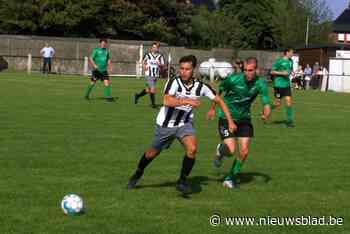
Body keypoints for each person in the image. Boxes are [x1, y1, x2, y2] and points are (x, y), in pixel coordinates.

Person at [127, 55, 236, 194]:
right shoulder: (173, 82)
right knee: (151, 154)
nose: (183, 72)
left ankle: (182, 181)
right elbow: (167, 101)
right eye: (182, 68)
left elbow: (219, 100)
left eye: (187, 69)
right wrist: (187, 101)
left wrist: (230, 121)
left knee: (192, 149)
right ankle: (139, 171)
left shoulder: (201, 86)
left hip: (184, 123)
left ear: (193, 70)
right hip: (165, 125)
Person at [208, 57, 271, 189]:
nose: (247, 73)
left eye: (251, 70)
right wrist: (213, 108)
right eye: (245, 70)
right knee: (231, 150)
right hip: (226, 117)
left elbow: (266, 102)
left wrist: (266, 113)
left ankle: (229, 179)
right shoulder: (233, 79)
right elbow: (218, 92)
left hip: (244, 119)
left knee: (244, 151)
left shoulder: (260, 84)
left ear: (256, 70)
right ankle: (220, 151)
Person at [134, 42, 165, 108]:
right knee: (153, 89)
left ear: (158, 48)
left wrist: (160, 65)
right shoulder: (148, 55)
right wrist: (144, 66)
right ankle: (153, 105)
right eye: (153, 47)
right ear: (151, 48)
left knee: (148, 90)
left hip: (155, 75)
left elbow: (163, 65)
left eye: (156, 47)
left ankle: (137, 96)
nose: (154, 48)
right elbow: (143, 61)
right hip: (148, 74)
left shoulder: (160, 56)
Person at [270, 48, 295, 127]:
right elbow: (272, 71)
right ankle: (266, 110)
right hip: (278, 85)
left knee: (288, 102)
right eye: (291, 52)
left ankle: (289, 122)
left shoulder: (291, 61)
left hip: (286, 85)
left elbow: (290, 70)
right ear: (287, 52)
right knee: (277, 104)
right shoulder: (279, 61)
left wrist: (290, 72)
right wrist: (282, 73)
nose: (292, 54)